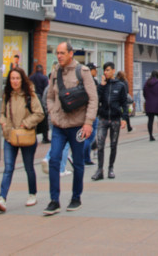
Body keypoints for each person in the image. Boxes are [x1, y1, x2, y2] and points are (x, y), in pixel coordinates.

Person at [43, 42, 98, 215]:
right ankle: (54, 200)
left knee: (79, 162)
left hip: (77, 126)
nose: (59, 56)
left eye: (62, 53)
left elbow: (93, 98)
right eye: (57, 53)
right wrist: (52, 113)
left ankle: (76, 197)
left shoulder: (82, 72)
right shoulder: (55, 72)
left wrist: (88, 122)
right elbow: (50, 96)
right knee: (54, 160)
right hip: (59, 126)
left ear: (70, 54)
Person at [0, 67, 44, 212]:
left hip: (26, 135)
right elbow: (2, 112)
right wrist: (2, 122)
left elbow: (39, 113)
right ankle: (2, 197)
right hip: (10, 136)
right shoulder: (7, 95)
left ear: (22, 79)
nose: (15, 81)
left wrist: (26, 123)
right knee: (8, 168)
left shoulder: (29, 95)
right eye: (12, 79)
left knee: (28, 167)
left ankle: (32, 194)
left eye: (17, 78)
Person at [92, 63, 128, 180]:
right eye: (104, 70)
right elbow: (97, 99)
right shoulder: (102, 85)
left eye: (108, 70)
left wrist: (124, 118)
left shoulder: (120, 85)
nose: (105, 72)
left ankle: (110, 168)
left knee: (113, 145)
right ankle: (99, 170)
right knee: (100, 145)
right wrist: (101, 86)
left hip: (115, 119)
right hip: (102, 118)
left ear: (113, 70)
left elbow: (124, 103)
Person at [82, 63, 99, 165]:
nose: (96, 71)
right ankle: (79, 155)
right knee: (90, 137)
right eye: (95, 69)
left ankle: (86, 158)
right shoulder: (92, 81)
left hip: (85, 112)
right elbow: (95, 97)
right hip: (91, 113)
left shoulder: (81, 80)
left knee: (88, 137)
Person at [143, 71, 158, 141]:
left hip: (149, 104)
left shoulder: (147, 83)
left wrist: (148, 99)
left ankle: (151, 136)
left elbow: (144, 93)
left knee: (150, 120)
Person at [30, 64, 50, 143]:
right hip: (41, 99)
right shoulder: (44, 78)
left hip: (32, 100)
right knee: (44, 121)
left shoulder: (31, 77)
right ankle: (45, 138)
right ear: (41, 69)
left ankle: (33, 136)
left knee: (34, 119)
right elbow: (46, 90)